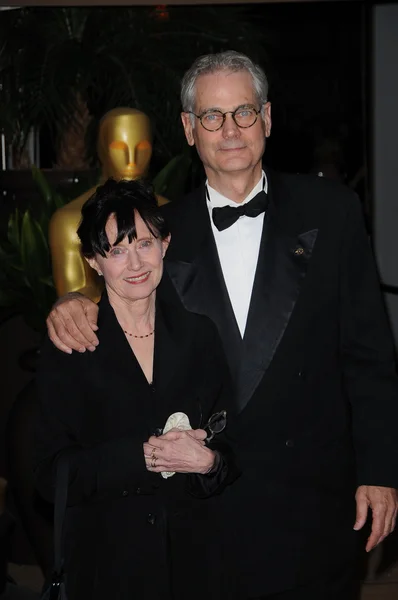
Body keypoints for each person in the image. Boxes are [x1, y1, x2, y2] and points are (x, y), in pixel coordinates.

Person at [46, 51, 398, 599]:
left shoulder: (332, 211)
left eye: (244, 112)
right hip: (202, 509)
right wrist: (75, 298)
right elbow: (120, 289)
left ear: (269, 119)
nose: (230, 130)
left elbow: (369, 356)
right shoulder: (162, 234)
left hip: (311, 498)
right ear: (189, 129)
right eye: (212, 116)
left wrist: (380, 470)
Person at [35, 178, 236, 600]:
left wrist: (209, 462)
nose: (135, 264)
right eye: (116, 250)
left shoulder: (199, 336)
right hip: (109, 568)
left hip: (197, 568)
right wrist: (139, 457)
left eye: (144, 243)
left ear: (165, 244)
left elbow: (232, 448)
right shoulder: (71, 345)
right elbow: (50, 475)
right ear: (93, 260)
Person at [49, 107, 168, 302]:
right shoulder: (69, 221)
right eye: (119, 148)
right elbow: (75, 302)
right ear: (103, 149)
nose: (132, 160)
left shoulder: (173, 212)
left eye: (143, 148)